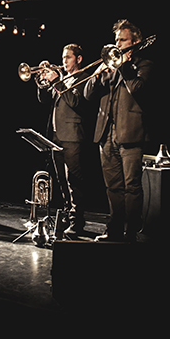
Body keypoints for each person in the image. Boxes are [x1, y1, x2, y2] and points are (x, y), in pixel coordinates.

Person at [84, 19, 153, 242]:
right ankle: (113, 230)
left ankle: (131, 232)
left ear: (135, 42)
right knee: (112, 187)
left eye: (122, 40)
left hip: (130, 134)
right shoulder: (111, 67)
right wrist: (97, 74)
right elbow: (87, 95)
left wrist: (123, 65)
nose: (118, 44)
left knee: (132, 187)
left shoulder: (144, 65)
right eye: (116, 40)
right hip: (106, 135)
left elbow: (138, 89)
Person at [37, 44, 92, 234]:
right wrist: (43, 81)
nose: (64, 61)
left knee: (74, 181)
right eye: (63, 58)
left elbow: (75, 102)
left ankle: (77, 222)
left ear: (79, 59)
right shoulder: (63, 79)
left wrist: (57, 81)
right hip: (57, 136)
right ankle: (68, 216)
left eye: (68, 57)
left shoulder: (84, 78)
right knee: (61, 180)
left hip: (73, 136)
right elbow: (44, 100)